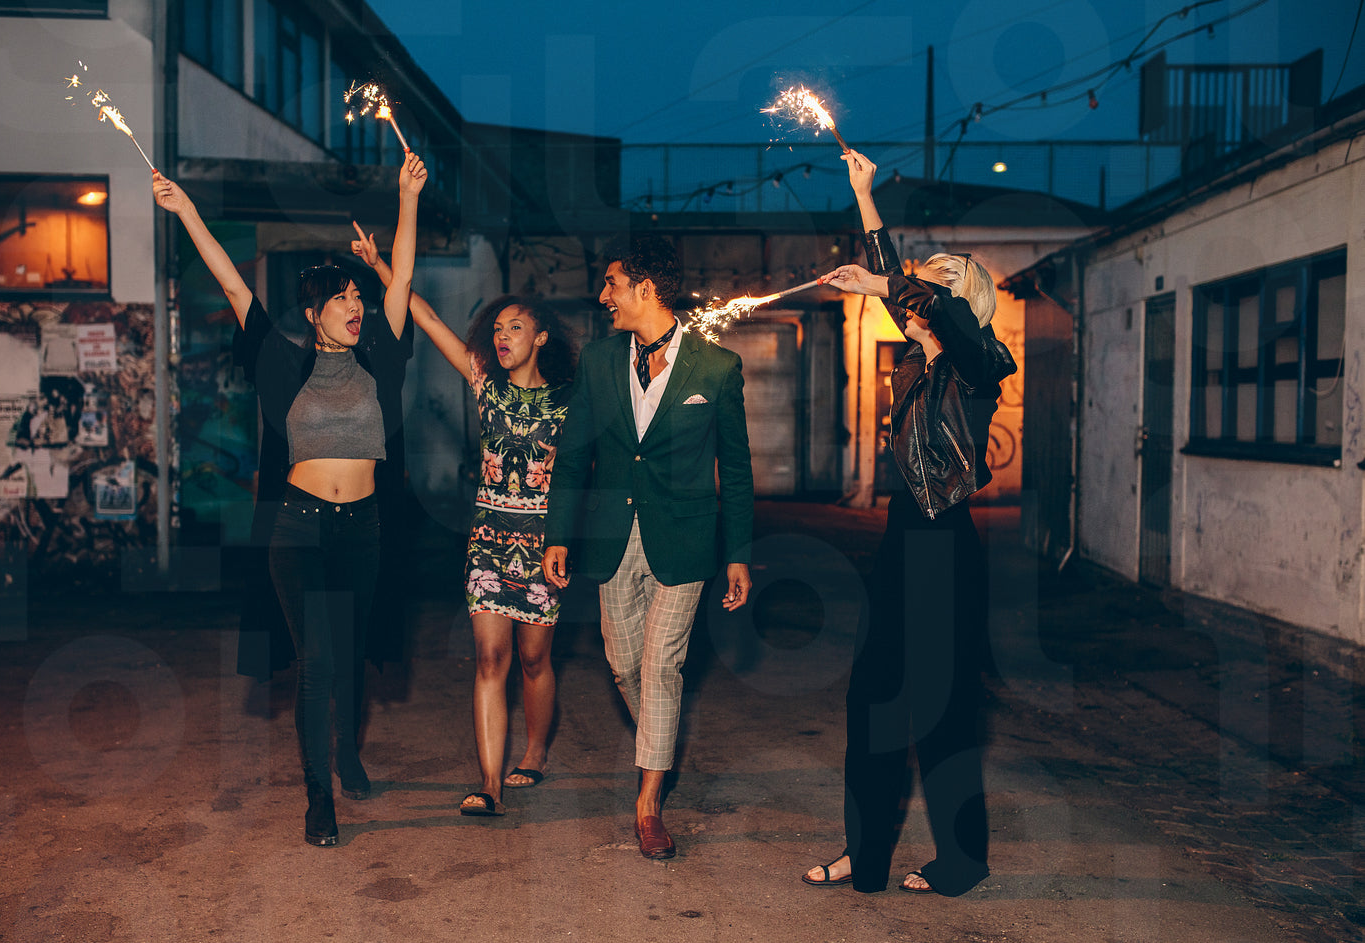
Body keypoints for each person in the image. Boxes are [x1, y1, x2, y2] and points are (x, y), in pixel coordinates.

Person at [153, 152, 427, 847]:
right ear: (313, 313)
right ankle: (318, 800)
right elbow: (231, 281)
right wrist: (187, 211)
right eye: (341, 299)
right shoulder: (282, 359)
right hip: (299, 530)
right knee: (318, 661)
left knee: (353, 651)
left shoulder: (380, 358)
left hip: (364, 528)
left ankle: (348, 753)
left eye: (358, 296)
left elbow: (402, 277)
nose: (356, 306)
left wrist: (407, 198)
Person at [803, 149, 1015, 895]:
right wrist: (864, 195)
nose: (921, 290)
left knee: (944, 715)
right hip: (901, 540)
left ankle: (962, 859)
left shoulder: (981, 363)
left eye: (942, 282)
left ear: (965, 302)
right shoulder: (917, 365)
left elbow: (932, 309)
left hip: (947, 548)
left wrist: (890, 283)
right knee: (872, 704)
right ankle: (864, 855)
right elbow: (899, 285)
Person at [542, 235, 754, 860]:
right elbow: (574, 456)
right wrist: (558, 535)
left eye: (612, 283)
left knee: (662, 665)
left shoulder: (717, 368)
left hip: (684, 538)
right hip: (612, 536)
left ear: (646, 288)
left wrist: (738, 552)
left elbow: (736, 469)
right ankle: (658, 742)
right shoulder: (598, 360)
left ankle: (649, 803)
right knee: (623, 663)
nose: (603, 295)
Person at [357, 240, 576, 816]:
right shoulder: (487, 384)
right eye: (496, 329)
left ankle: (535, 751)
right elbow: (428, 318)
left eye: (515, 328)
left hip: (542, 547)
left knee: (534, 660)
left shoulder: (568, 401)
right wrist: (381, 267)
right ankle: (490, 784)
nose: (502, 337)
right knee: (489, 659)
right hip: (488, 543)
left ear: (541, 338)